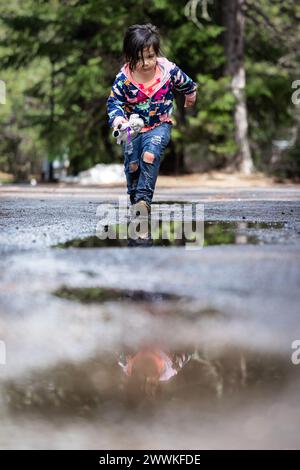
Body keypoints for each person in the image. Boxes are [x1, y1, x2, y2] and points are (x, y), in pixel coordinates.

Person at [107, 23, 197, 215]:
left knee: (150, 155)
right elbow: (114, 102)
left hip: (159, 125)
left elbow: (187, 84)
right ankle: (134, 199)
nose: (146, 63)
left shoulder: (167, 70)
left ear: (156, 53)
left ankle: (143, 200)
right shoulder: (123, 79)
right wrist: (118, 121)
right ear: (129, 57)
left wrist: (190, 96)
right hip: (132, 129)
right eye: (139, 59)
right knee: (133, 165)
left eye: (150, 56)